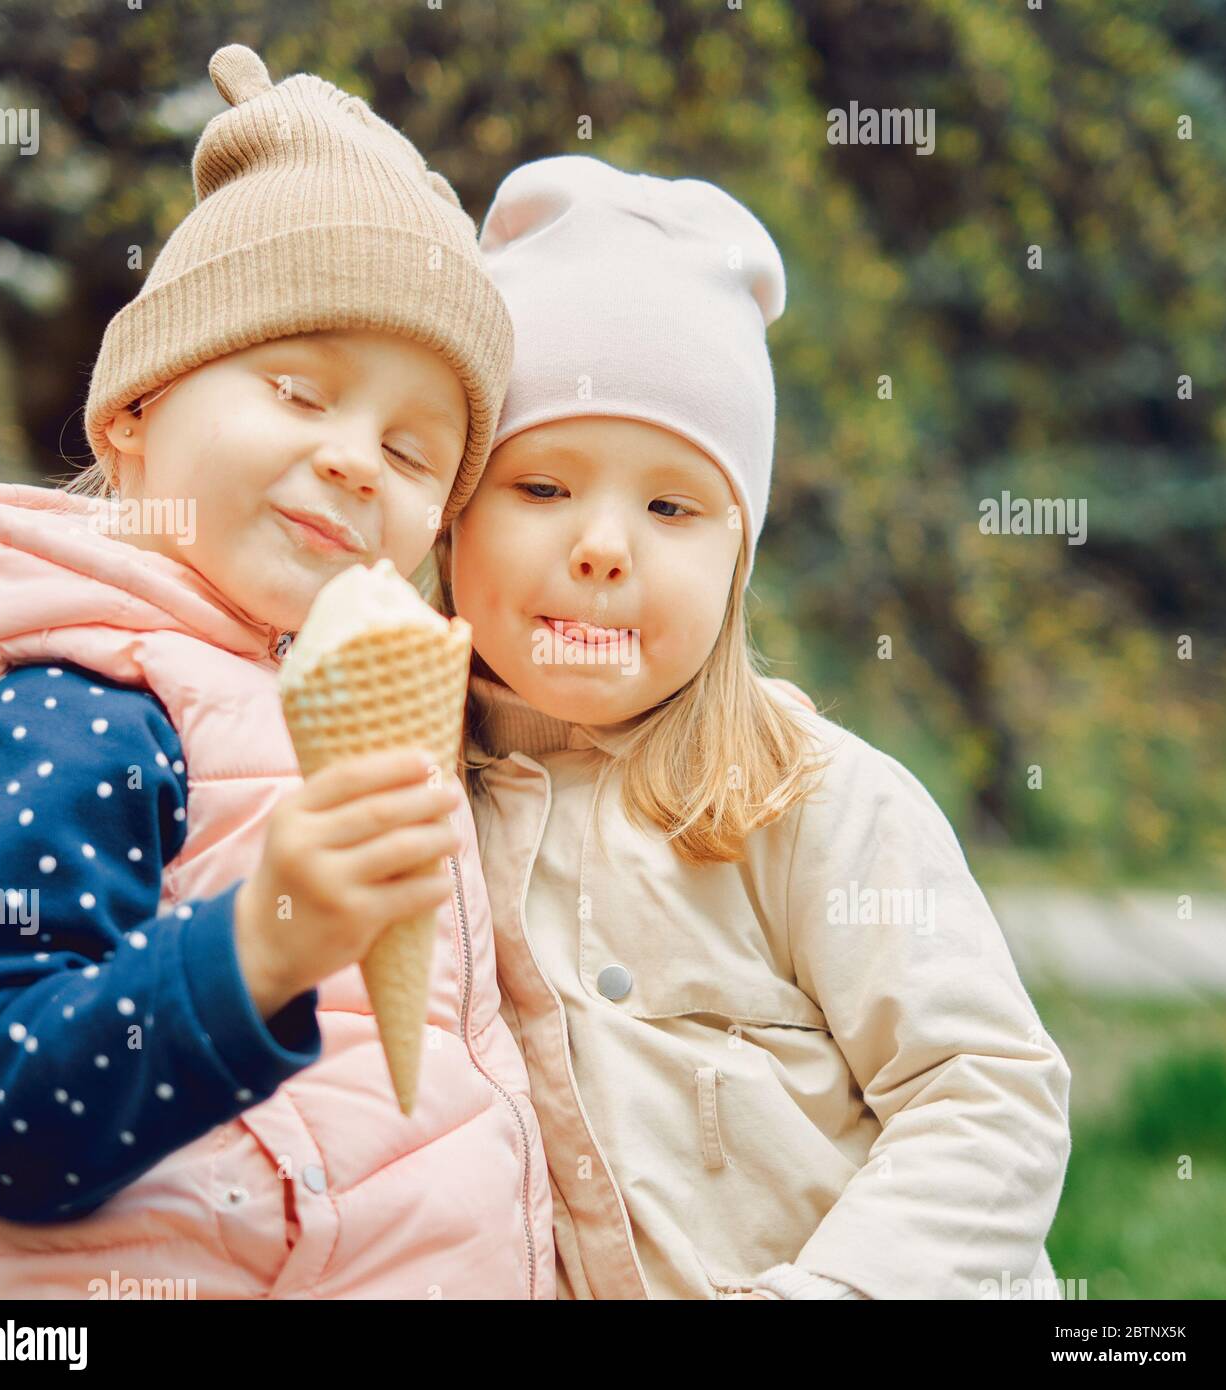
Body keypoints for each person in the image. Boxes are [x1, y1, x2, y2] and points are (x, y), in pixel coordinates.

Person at [0, 45, 552, 1299]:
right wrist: (261, 943)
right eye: (296, 389)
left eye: (414, 448)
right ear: (135, 414)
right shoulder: (75, 700)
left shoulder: (331, 696)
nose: (354, 460)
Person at [429, 154, 1072, 1300]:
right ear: (449, 520)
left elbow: (986, 1094)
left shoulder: (814, 800)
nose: (605, 544)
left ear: (737, 559)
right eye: (540, 487)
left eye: (672, 505)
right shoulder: (403, 798)